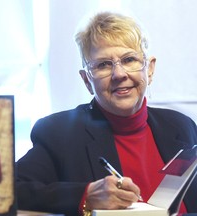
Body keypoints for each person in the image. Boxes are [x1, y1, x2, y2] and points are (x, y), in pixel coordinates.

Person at [16, 11, 197, 216]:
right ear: (87, 81)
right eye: (103, 65)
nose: (119, 74)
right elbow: (7, 191)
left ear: (150, 69)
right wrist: (85, 197)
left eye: (129, 59)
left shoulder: (182, 127)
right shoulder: (60, 133)